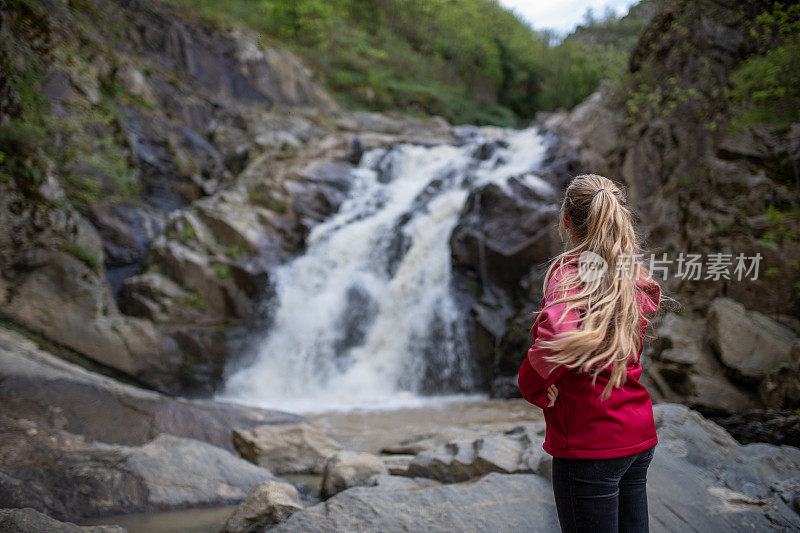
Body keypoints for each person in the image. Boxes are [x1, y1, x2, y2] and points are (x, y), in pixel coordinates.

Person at [518, 174, 663, 533]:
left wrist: (534, 384)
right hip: (636, 433)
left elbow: (557, 339)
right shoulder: (630, 272)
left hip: (589, 442)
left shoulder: (568, 272)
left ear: (566, 220)